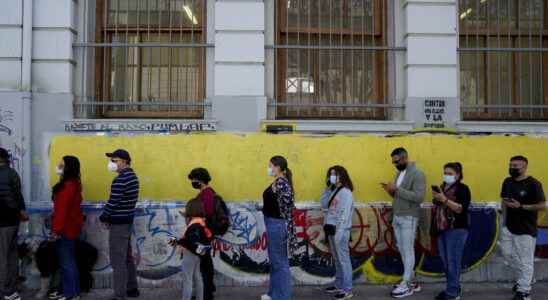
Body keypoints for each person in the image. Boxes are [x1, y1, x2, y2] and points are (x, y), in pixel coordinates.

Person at [381, 147, 425, 298]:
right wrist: (390, 191)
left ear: (405, 158)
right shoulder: (399, 173)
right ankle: (411, 280)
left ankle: (406, 284)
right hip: (398, 216)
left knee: (408, 249)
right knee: (402, 248)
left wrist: (397, 190)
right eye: (393, 162)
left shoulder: (417, 174)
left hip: (409, 217)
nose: (395, 164)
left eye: (397, 161)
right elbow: (399, 195)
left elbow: (419, 197)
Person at [500, 156, 545, 300]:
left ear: (525, 167)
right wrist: (503, 222)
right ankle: (527, 278)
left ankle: (524, 292)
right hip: (508, 227)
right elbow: (504, 201)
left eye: (516, 166)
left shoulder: (533, 184)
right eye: (511, 165)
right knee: (507, 255)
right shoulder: (507, 182)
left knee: (525, 260)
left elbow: (542, 205)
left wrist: (522, 206)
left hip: (526, 229)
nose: (512, 168)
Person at [99, 149, 140, 300]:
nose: (111, 164)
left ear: (124, 161)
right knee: (127, 258)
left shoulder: (121, 179)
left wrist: (103, 217)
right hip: (127, 222)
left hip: (119, 225)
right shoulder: (133, 176)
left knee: (118, 261)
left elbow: (113, 202)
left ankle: (120, 295)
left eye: (114, 160)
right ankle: (132, 288)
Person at [431, 163, 471, 300]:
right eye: (445, 173)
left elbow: (460, 208)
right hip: (442, 228)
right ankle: (452, 287)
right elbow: (438, 205)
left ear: (458, 175)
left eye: (449, 173)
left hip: (457, 229)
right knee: (445, 261)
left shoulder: (463, 189)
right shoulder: (442, 187)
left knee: (453, 260)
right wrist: (437, 198)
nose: (446, 175)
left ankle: (453, 293)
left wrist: (445, 200)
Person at [261, 156, 297, 300]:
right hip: (273, 223)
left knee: (280, 264)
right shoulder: (278, 182)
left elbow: (288, 205)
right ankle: (273, 294)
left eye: (270, 166)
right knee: (276, 262)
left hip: (277, 225)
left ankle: (282, 297)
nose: (269, 169)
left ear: (278, 167)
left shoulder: (281, 183)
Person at [50, 156, 85, 300]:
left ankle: (70, 294)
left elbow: (61, 211)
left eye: (61, 164)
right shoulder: (73, 183)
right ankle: (73, 292)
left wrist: (56, 231)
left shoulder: (67, 186)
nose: (58, 165)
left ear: (68, 167)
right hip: (71, 227)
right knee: (69, 262)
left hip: (65, 229)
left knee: (66, 263)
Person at [320, 166, 355, 300]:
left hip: (340, 230)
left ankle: (347, 289)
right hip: (330, 227)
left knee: (344, 260)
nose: (332, 176)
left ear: (342, 175)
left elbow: (344, 215)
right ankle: (339, 284)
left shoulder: (346, 192)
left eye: (335, 174)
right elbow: (323, 204)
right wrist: (326, 188)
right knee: (336, 259)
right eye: (330, 174)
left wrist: (340, 233)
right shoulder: (334, 190)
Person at [169, 199, 212, 300]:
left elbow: (189, 242)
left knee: (187, 280)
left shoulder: (194, 225)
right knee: (198, 277)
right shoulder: (201, 222)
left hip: (190, 254)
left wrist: (177, 241)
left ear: (191, 210)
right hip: (198, 255)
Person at [0, 147, 27, 300]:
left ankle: (4, 291)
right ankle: (12, 289)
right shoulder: (12, 173)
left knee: (2, 257)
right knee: (11, 255)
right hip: (12, 221)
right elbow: (18, 195)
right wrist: (21, 210)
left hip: (2, 222)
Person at [188, 168, 217, 300]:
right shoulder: (205, 193)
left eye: (194, 179)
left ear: (200, 180)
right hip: (203, 232)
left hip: (203, 233)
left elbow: (208, 213)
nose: (192, 182)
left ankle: (207, 294)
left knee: (204, 264)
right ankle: (208, 290)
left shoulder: (207, 194)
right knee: (205, 262)